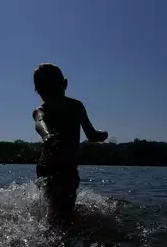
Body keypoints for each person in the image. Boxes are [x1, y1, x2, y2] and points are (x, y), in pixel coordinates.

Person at [32, 63, 108, 226]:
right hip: (47, 166)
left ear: (65, 84)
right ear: (38, 91)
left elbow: (91, 134)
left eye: (53, 87)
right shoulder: (41, 109)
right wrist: (47, 136)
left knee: (62, 211)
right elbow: (40, 122)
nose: (50, 93)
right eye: (45, 88)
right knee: (55, 211)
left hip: (69, 169)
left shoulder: (76, 106)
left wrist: (101, 135)